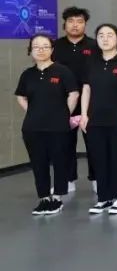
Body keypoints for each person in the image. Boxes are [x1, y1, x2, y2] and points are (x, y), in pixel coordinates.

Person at [15, 34, 79, 215]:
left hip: (58, 126)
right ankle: (44, 198)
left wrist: (63, 114)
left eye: (45, 46)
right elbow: (20, 96)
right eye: (36, 46)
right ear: (30, 51)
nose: (41, 50)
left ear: (52, 49)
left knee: (60, 161)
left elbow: (73, 94)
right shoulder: (27, 74)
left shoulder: (62, 71)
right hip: (32, 127)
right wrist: (32, 112)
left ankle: (57, 197)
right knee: (38, 163)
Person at [80, 24, 117, 215]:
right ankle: (103, 198)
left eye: (110, 35)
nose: (105, 39)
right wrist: (84, 114)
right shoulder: (91, 62)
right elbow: (86, 89)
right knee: (99, 158)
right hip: (95, 119)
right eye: (101, 35)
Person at [52, 6, 98, 193]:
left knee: (93, 142)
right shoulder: (55, 46)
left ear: (85, 24)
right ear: (64, 24)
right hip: (63, 101)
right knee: (64, 143)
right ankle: (68, 179)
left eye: (80, 21)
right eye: (71, 21)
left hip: (90, 101)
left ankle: (96, 178)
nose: (75, 25)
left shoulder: (95, 46)